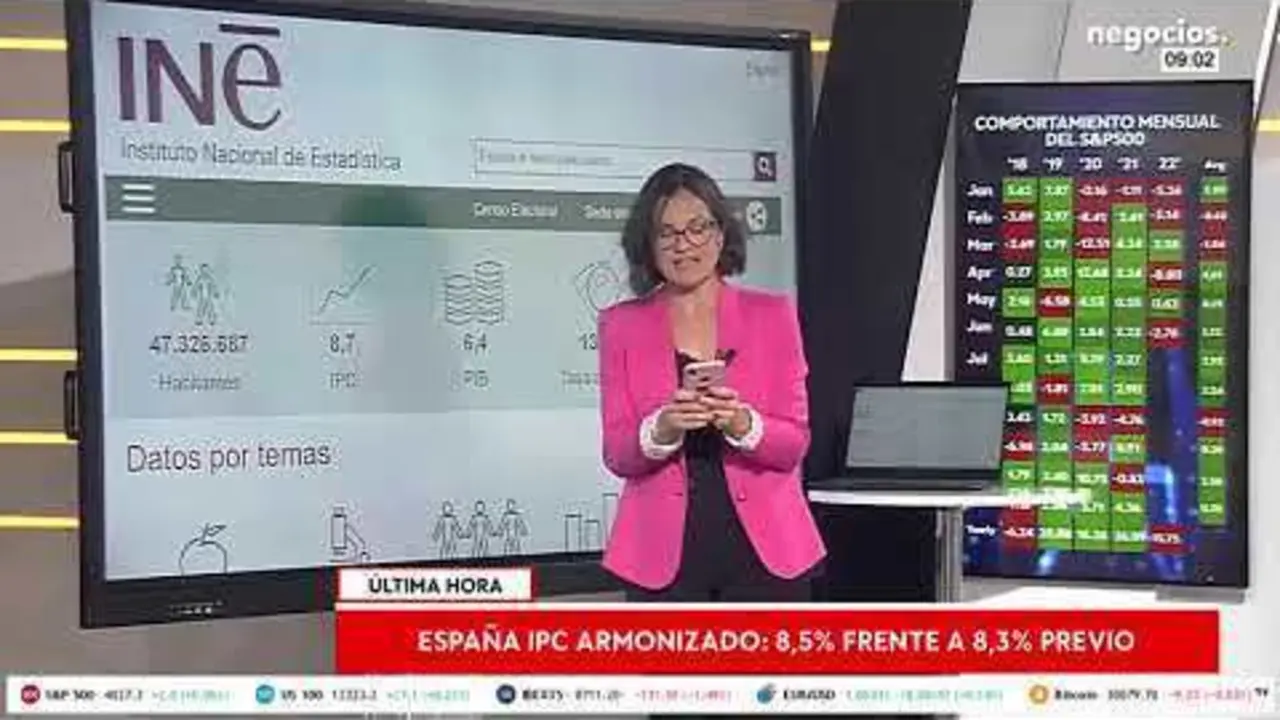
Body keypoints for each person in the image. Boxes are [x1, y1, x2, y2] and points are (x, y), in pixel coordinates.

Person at [597, 163, 825, 602]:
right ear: (648, 245)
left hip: (766, 554)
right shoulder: (620, 325)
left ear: (720, 236)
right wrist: (662, 429)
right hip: (660, 558)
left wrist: (741, 423)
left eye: (697, 228)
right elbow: (617, 453)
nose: (683, 244)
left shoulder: (772, 316)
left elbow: (794, 444)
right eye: (666, 232)